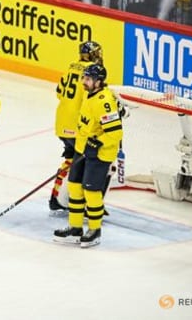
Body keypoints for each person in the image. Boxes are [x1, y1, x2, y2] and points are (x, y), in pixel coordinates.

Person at [54, 64, 123, 248]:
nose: (84, 82)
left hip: (99, 154)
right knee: (75, 188)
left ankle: (94, 230)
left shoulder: (104, 101)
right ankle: (75, 228)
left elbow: (115, 133)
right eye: (84, 78)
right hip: (82, 149)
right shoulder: (88, 95)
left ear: (98, 82)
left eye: (88, 79)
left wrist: (97, 143)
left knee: (91, 192)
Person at [50, 41, 103, 214]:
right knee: (85, 164)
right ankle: (81, 202)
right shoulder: (91, 73)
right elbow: (92, 101)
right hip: (77, 126)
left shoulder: (71, 67)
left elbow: (59, 92)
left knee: (71, 160)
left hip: (62, 122)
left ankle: (56, 198)